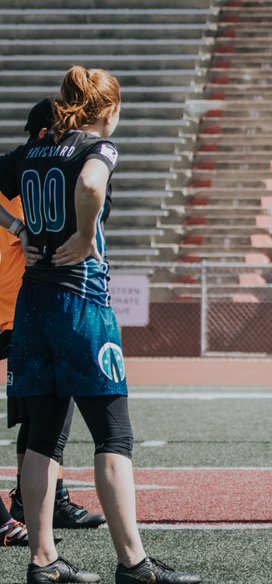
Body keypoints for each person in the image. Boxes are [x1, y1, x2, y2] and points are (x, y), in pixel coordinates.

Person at [0, 67, 201, 583]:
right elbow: (90, 182)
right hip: (80, 303)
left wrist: (19, 226)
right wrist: (87, 234)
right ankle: (133, 561)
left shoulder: (33, 150)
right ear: (107, 110)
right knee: (114, 436)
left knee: (43, 438)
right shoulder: (97, 148)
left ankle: (43, 561)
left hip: (32, 305)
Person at [3, 98, 107, 542]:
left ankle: (43, 500)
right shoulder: (31, 172)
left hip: (22, 313)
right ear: (47, 134)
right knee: (48, 417)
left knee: (43, 417)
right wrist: (16, 228)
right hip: (19, 311)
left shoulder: (35, 171)